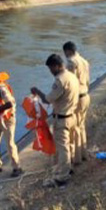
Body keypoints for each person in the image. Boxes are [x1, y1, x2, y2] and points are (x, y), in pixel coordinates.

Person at [31, 54, 80, 188]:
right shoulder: (72, 76)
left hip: (62, 119)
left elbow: (48, 99)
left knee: (63, 148)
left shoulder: (60, 80)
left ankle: (62, 177)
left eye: (51, 68)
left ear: (57, 66)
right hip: (72, 116)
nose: (51, 72)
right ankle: (68, 169)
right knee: (69, 145)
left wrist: (37, 91)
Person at [63, 41, 91, 166]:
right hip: (86, 95)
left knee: (75, 128)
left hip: (77, 98)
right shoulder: (84, 61)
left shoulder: (71, 63)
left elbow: (71, 83)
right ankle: (84, 153)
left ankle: (77, 158)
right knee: (82, 125)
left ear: (68, 51)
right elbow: (88, 80)